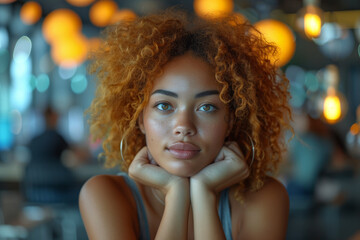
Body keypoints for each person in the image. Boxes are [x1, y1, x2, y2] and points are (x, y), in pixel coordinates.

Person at [79, 9, 292, 240]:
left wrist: (203, 194)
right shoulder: (105, 195)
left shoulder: (265, 197)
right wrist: (176, 195)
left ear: (230, 121)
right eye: (164, 106)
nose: (184, 126)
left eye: (206, 107)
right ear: (139, 118)